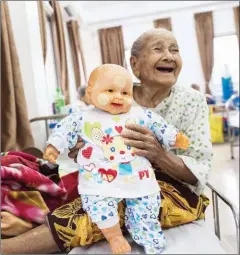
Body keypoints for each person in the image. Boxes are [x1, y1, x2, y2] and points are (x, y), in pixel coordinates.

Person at [1, 28, 223, 254]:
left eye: (175, 50)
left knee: (103, 212)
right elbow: (87, 138)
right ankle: (32, 224)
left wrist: (159, 154)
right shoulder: (112, 97)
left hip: (170, 190)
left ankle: (11, 245)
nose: (169, 56)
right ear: (135, 64)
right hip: (112, 179)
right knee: (87, 197)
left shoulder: (192, 101)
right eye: (158, 49)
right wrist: (82, 150)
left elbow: (200, 169)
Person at [43, 64, 189, 254]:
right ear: (90, 93)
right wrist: (54, 146)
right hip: (99, 180)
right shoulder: (82, 118)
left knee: (146, 208)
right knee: (100, 208)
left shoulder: (139, 114)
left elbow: (160, 125)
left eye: (125, 92)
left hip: (138, 177)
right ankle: (114, 236)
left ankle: (150, 239)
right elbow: (63, 131)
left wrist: (174, 137)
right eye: (110, 90)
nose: (118, 96)